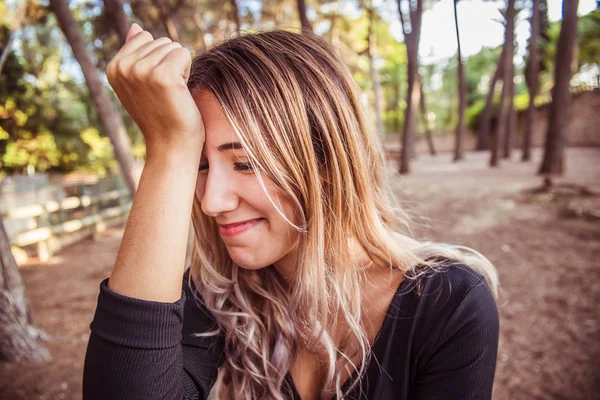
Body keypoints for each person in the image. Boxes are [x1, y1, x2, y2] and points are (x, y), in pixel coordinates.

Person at [82, 23, 500, 400]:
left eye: (246, 163)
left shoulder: (448, 304)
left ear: (327, 164)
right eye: (200, 166)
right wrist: (169, 149)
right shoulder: (214, 295)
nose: (211, 201)